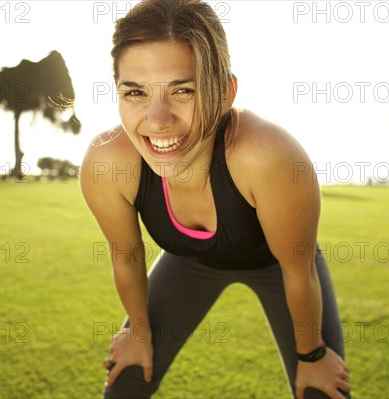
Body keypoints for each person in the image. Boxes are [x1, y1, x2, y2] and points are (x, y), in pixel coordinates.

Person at [80, 1, 351, 398]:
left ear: (225, 92)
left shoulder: (267, 155)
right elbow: (126, 257)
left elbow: (299, 271)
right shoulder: (108, 162)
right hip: (189, 263)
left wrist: (311, 357)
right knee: (126, 383)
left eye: (182, 90)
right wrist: (138, 333)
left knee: (323, 392)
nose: (157, 119)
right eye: (135, 92)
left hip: (281, 267)